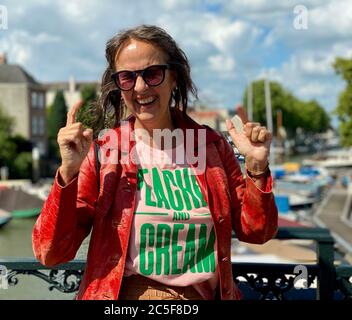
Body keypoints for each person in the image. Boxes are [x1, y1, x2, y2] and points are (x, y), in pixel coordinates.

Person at [32, 24, 278, 300]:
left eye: (152, 74)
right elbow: (51, 252)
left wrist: (256, 167)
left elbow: (257, 233)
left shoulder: (212, 147)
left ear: (174, 77)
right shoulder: (105, 152)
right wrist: (68, 172)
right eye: (127, 77)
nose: (140, 87)